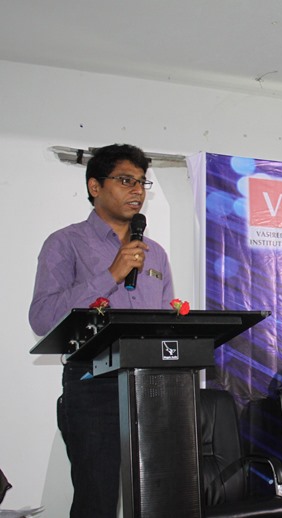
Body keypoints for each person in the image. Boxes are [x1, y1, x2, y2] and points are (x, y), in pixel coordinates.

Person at [29, 143, 174, 517]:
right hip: (95, 383)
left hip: (152, 385)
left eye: (142, 182)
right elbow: (43, 318)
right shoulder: (66, 243)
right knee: (97, 498)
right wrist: (111, 275)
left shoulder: (154, 252)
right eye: (126, 180)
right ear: (95, 186)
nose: (137, 190)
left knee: (162, 497)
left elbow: (164, 319)